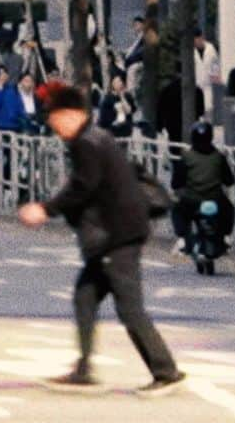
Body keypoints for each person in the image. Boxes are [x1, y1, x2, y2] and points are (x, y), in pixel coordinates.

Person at [18, 85, 184, 397]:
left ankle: (166, 370)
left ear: (70, 115)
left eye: (54, 118)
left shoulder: (86, 144)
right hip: (113, 236)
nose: (52, 125)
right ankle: (83, 369)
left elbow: (83, 186)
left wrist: (45, 208)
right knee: (85, 296)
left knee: (130, 308)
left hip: (116, 237)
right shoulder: (96, 138)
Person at [171, 120, 235, 253]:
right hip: (216, 199)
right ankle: (226, 237)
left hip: (191, 200)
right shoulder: (219, 157)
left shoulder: (186, 157)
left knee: (177, 209)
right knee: (229, 209)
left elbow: (176, 183)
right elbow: (229, 180)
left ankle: (182, 239)